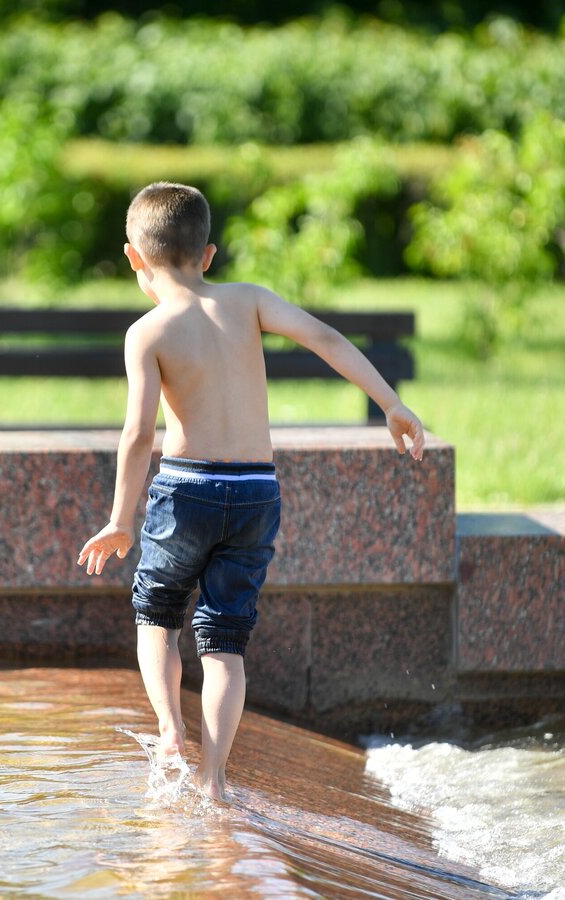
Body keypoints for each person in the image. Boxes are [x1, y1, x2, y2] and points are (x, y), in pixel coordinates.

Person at [76, 182, 425, 802]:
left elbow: (137, 435)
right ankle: (214, 779)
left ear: (134, 258)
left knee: (156, 614)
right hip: (256, 492)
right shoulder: (249, 301)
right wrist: (390, 404)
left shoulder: (148, 332)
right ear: (208, 255)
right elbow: (328, 340)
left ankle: (168, 729)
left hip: (186, 489)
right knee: (225, 641)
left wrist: (120, 518)